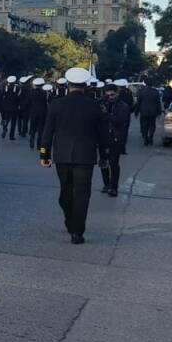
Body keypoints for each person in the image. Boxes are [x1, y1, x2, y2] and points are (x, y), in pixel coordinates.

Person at [39, 66, 109, 244]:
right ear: (84, 85)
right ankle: (78, 231)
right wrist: (104, 156)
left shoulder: (56, 105)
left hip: (62, 156)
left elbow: (47, 133)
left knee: (66, 191)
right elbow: (103, 135)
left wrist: (44, 155)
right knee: (82, 194)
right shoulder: (95, 106)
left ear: (68, 84)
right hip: (86, 157)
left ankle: (70, 221)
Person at [100, 84, 133, 197]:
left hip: (116, 137)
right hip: (103, 137)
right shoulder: (103, 103)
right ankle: (106, 184)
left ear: (117, 93)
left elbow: (119, 121)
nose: (110, 97)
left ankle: (114, 187)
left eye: (112, 95)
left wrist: (106, 114)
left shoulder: (123, 106)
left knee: (114, 163)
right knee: (103, 162)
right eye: (108, 95)